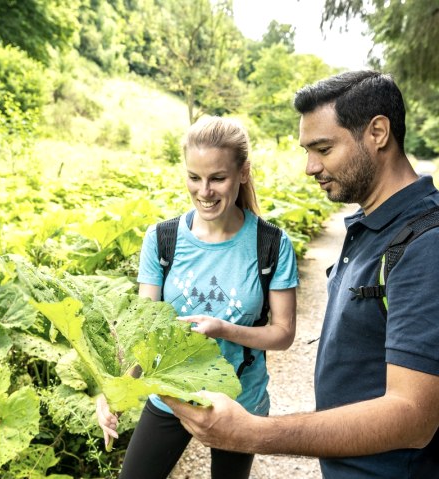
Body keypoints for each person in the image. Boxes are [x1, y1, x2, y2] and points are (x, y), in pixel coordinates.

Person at [163, 70, 439, 478]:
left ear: (378, 132)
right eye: (307, 150)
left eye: (323, 148)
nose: (310, 167)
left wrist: (253, 433)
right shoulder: (370, 225)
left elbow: (414, 418)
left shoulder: (425, 245)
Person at [96, 115, 299, 479]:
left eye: (217, 178)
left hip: (241, 400)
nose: (204, 191)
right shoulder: (161, 239)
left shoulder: (271, 244)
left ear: (242, 173)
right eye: (194, 177)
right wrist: (116, 389)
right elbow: (143, 331)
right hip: (170, 393)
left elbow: (282, 334)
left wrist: (224, 329)